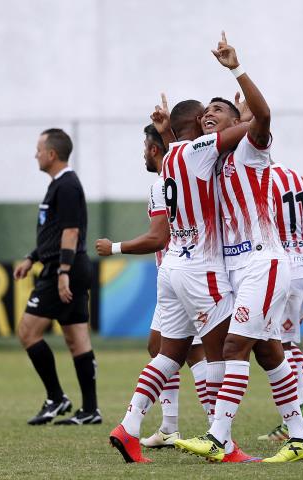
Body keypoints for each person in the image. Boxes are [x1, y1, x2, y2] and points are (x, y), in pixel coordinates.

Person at [174, 32, 303, 463]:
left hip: (263, 262)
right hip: (236, 268)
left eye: (218, 110)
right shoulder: (209, 161)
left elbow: (264, 115)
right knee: (268, 351)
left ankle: (218, 437)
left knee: (235, 346)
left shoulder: (250, 152)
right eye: (206, 113)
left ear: (238, 122)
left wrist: (236, 67)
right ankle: (300, 436)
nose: (208, 115)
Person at [108, 93, 254, 463]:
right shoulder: (199, 149)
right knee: (224, 353)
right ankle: (222, 441)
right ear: (196, 125)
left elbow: (182, 145)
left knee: (167, 356)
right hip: (200, 269)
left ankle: (129, 426)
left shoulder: (171, 156)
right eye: (206, 116)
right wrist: (249, 112)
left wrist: (166, 131)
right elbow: (251, 129)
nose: (210, 119)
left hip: (172, 266)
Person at [95, 123, 210, 448]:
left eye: (146, 145)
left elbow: (158, 237)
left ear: (155, 149)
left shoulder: (163, 185)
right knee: (161, 348)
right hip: (179, 275)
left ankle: (217, 429)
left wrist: (114, 247)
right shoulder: (184, 179)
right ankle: (171, 427)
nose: (143, 152)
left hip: (189, 274)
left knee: (198, 352)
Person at [14, 128, 100, 426]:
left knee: (27, 331)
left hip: (63, 270)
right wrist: (31, 257)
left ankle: (56, 398)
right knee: (77, 339)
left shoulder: (66, 186)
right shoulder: (60, 185)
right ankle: (90, 410)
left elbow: (71, 232)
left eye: (39, 149)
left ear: (51, 154)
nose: (35, 154)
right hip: (68, 267)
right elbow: (54, 233)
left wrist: (62, 272)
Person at [258, 161, 303, 441]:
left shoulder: (262, 179)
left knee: (280, 344)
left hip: (284, 266)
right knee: (288, 341)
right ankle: (298, 412)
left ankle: (298, 412)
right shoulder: (299, 177)